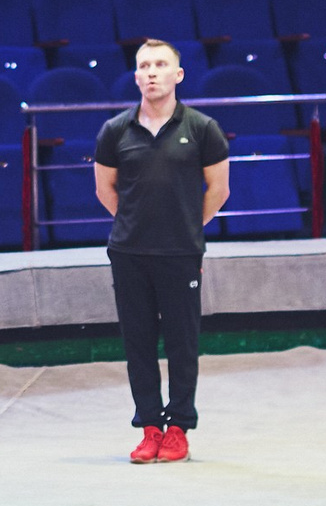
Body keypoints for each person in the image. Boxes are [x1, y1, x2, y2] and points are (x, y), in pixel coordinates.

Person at [94, 39, 230, 464]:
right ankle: (150, 426)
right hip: (130, 254)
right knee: (138, 343)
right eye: (144, 66)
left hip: (180, 254)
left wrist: (185, 227)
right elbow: (106, 191)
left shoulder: (203, 128)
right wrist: (137, 227)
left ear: (178, 75)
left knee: (182, 343)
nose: (151, 72)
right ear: (136, 76)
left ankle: (179, 429)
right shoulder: (115, 131)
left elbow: (219, 190)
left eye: (160, 65)